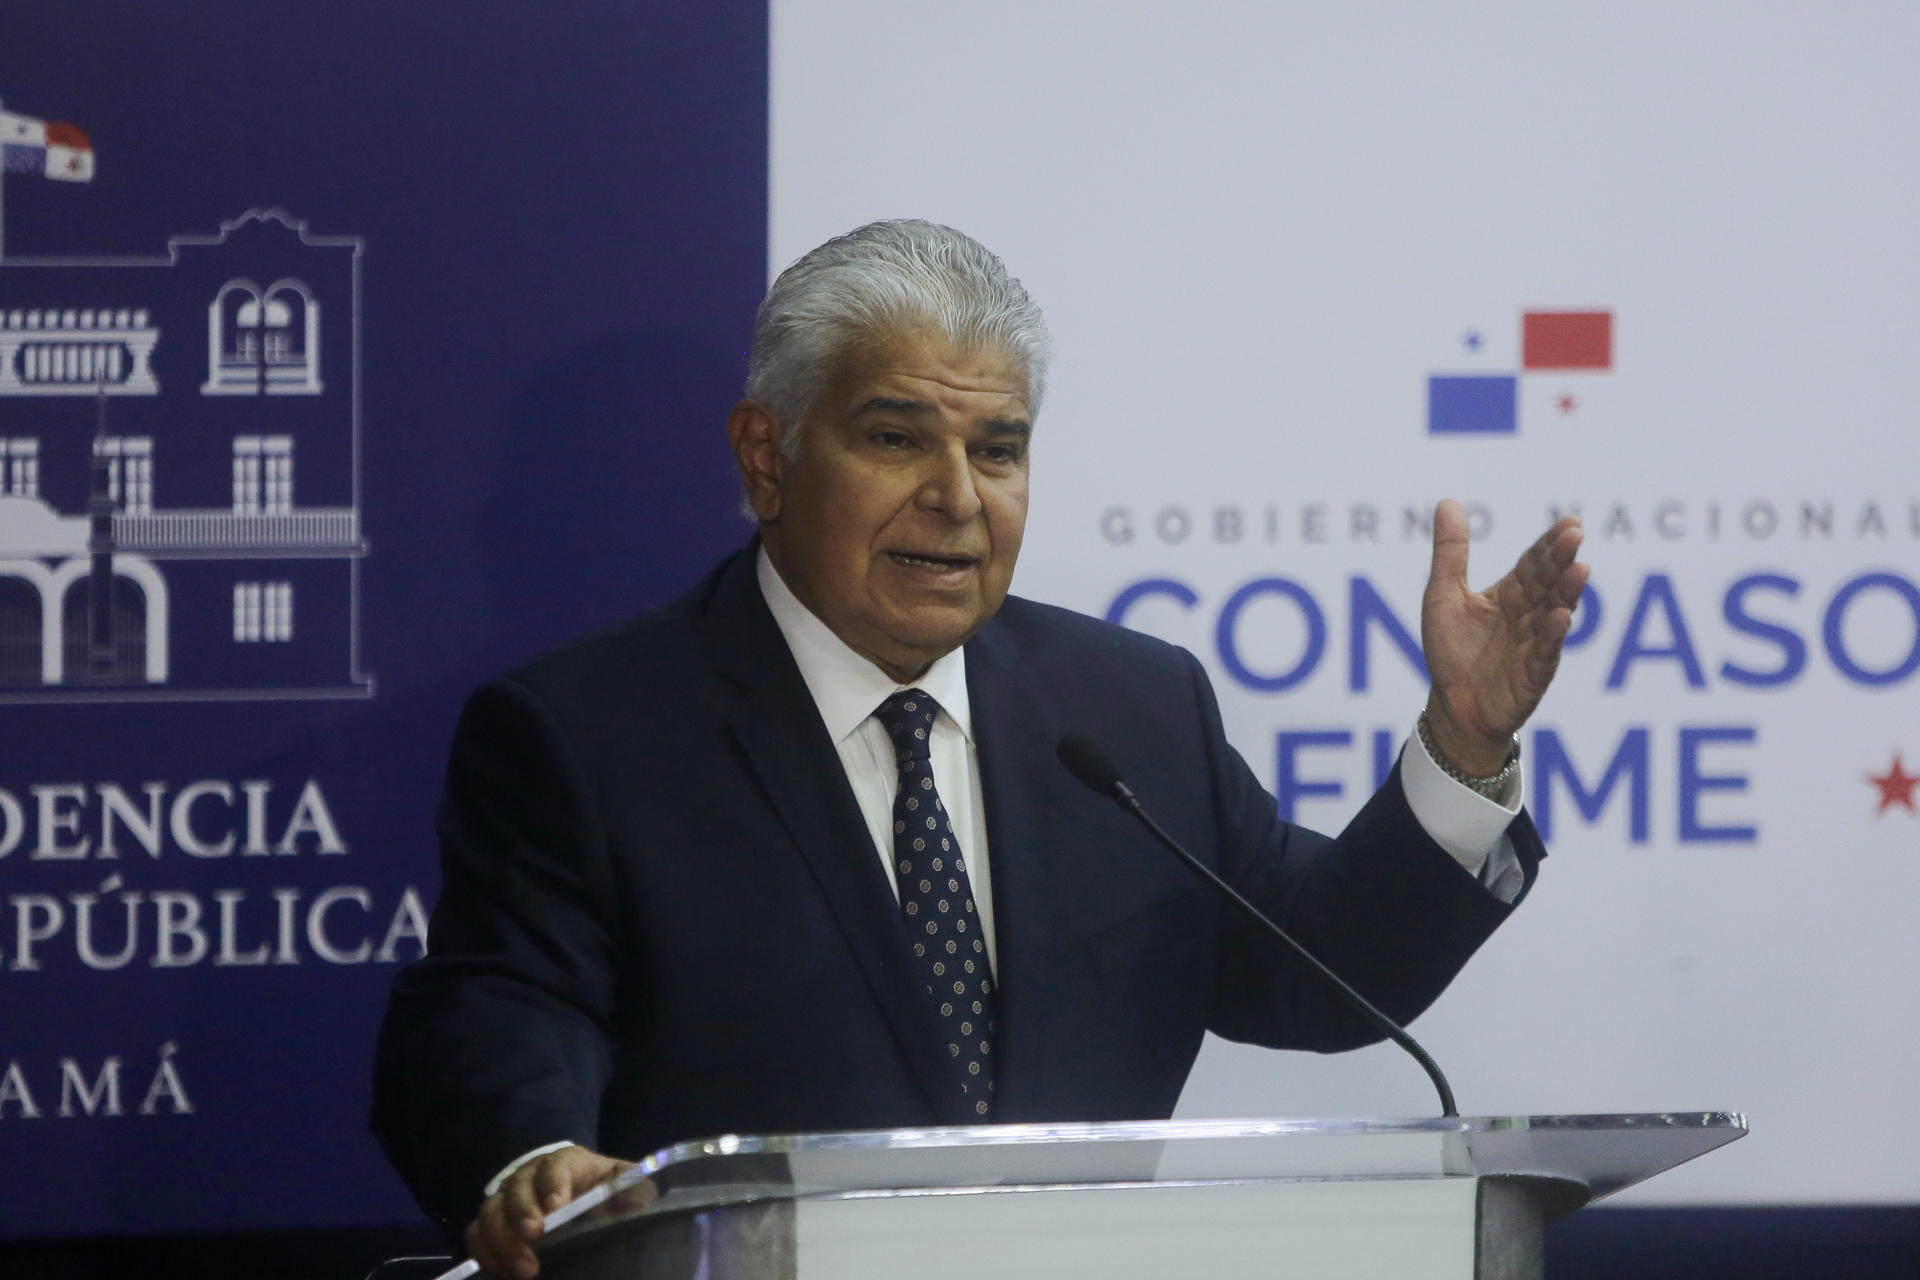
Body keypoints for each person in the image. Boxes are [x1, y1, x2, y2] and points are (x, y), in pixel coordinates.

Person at [371, 220, 1587, 1279]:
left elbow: (1316, 968)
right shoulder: (589, 729)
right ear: (767, 456)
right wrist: (532, 1159)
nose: (958, 495)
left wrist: (1465, 742)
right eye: (897, 438)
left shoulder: (1130, 706)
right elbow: (501, 1002)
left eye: (998, 449)